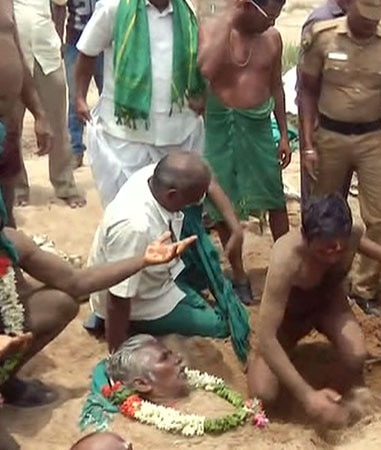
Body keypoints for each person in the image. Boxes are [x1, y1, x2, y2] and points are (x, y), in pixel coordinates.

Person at [0, 194, 197, 409]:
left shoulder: (8, 242)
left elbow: (76, 281)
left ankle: (4, 377)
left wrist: (144, 260)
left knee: (59, 303)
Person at [298, 0, 381, 316]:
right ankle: (319, 280)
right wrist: (307, 143)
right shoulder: (322, 36)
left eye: (374, 19)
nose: (368, 25)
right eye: (363, 18)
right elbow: (306, 90)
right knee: (321, 212)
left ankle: (363, 287)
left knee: (380, 214)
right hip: (329, 136)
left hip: (373, 138)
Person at [247, 194, 381, 427]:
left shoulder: (350, 234)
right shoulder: (286, 258)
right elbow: (267, 336)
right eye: (325, 249)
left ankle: (331, 395)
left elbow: (365, 245)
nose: (335, 252)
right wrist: (306, 394)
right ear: (306, 237)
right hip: (289, 319)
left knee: (356, 355)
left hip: (329, 305)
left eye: (340, 247)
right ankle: (298, 390)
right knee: (263, 393)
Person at [86, 152, 250, 361]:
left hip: (159, 273)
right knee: (220, 325)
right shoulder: (135, 226)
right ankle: (131, 325)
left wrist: (235, 227)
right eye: (192, 199)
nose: (197, 202)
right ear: (172, 195)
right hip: (140, 301)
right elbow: (119, 297)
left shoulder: (155, 176)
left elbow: (210, 183)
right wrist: (118, 355)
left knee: (203, 269)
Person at [197, 0, 291, 304]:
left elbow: (276, 85)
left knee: (274, 198)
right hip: (219, 124)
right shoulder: (213, 29)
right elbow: (207, 69)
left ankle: (285, 266)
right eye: (269, 13)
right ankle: (238, 274)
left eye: (278, 13)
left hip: (258, 125)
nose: (272, 20)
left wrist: (283, 136)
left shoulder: (272, 38)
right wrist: (229, 18)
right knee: (223, 204)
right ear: (247, 6)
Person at [75, 0, 205, 208]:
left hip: (176, 130)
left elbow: (198, 57)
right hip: (126, 133)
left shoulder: (187, 8)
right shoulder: (114, 7)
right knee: (126, 206)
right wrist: (79, 97)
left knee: (175, 208)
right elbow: (88, 52)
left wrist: (201, 94)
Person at [8, 0, 85, 209]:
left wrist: (58, 40)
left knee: (58, 124)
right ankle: (18, 187)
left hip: (46, 54)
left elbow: (61, 5)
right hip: (13, 56)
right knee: (12, 126)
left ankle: (65, 185)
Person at [0, 0, 52, 228]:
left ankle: (8, 257)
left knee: (6, 209)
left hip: (7, 120)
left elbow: (18, 58)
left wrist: (40, 114)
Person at [298, 0, 351, 203]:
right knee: (317, 198)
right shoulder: (321, 21)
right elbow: (305, 85)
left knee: (337, 197)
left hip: (345, 123)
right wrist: (309, 139)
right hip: (320, 122)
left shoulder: (363, 19)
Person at [52, 0, 104, 168]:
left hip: (106, 42)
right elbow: (59, 8)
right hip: (75, 41)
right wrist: (58, 40)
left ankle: (106, 147)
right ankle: (76, 149)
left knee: (108, 96)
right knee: (75, 97)